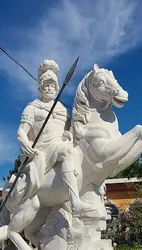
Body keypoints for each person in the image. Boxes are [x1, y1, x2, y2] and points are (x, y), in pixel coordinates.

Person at [17, 59, 94, 215]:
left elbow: (70, 129)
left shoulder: (62, 110)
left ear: (57, 88)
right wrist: (25, 143)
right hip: (42, 148)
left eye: (53, 86)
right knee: (69, 152)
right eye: (46, 85)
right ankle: (75, 202)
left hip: (58, 144)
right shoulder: (32, 107)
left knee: (79, 151)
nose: (50, 88)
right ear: (40, 88)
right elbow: (21, 132)